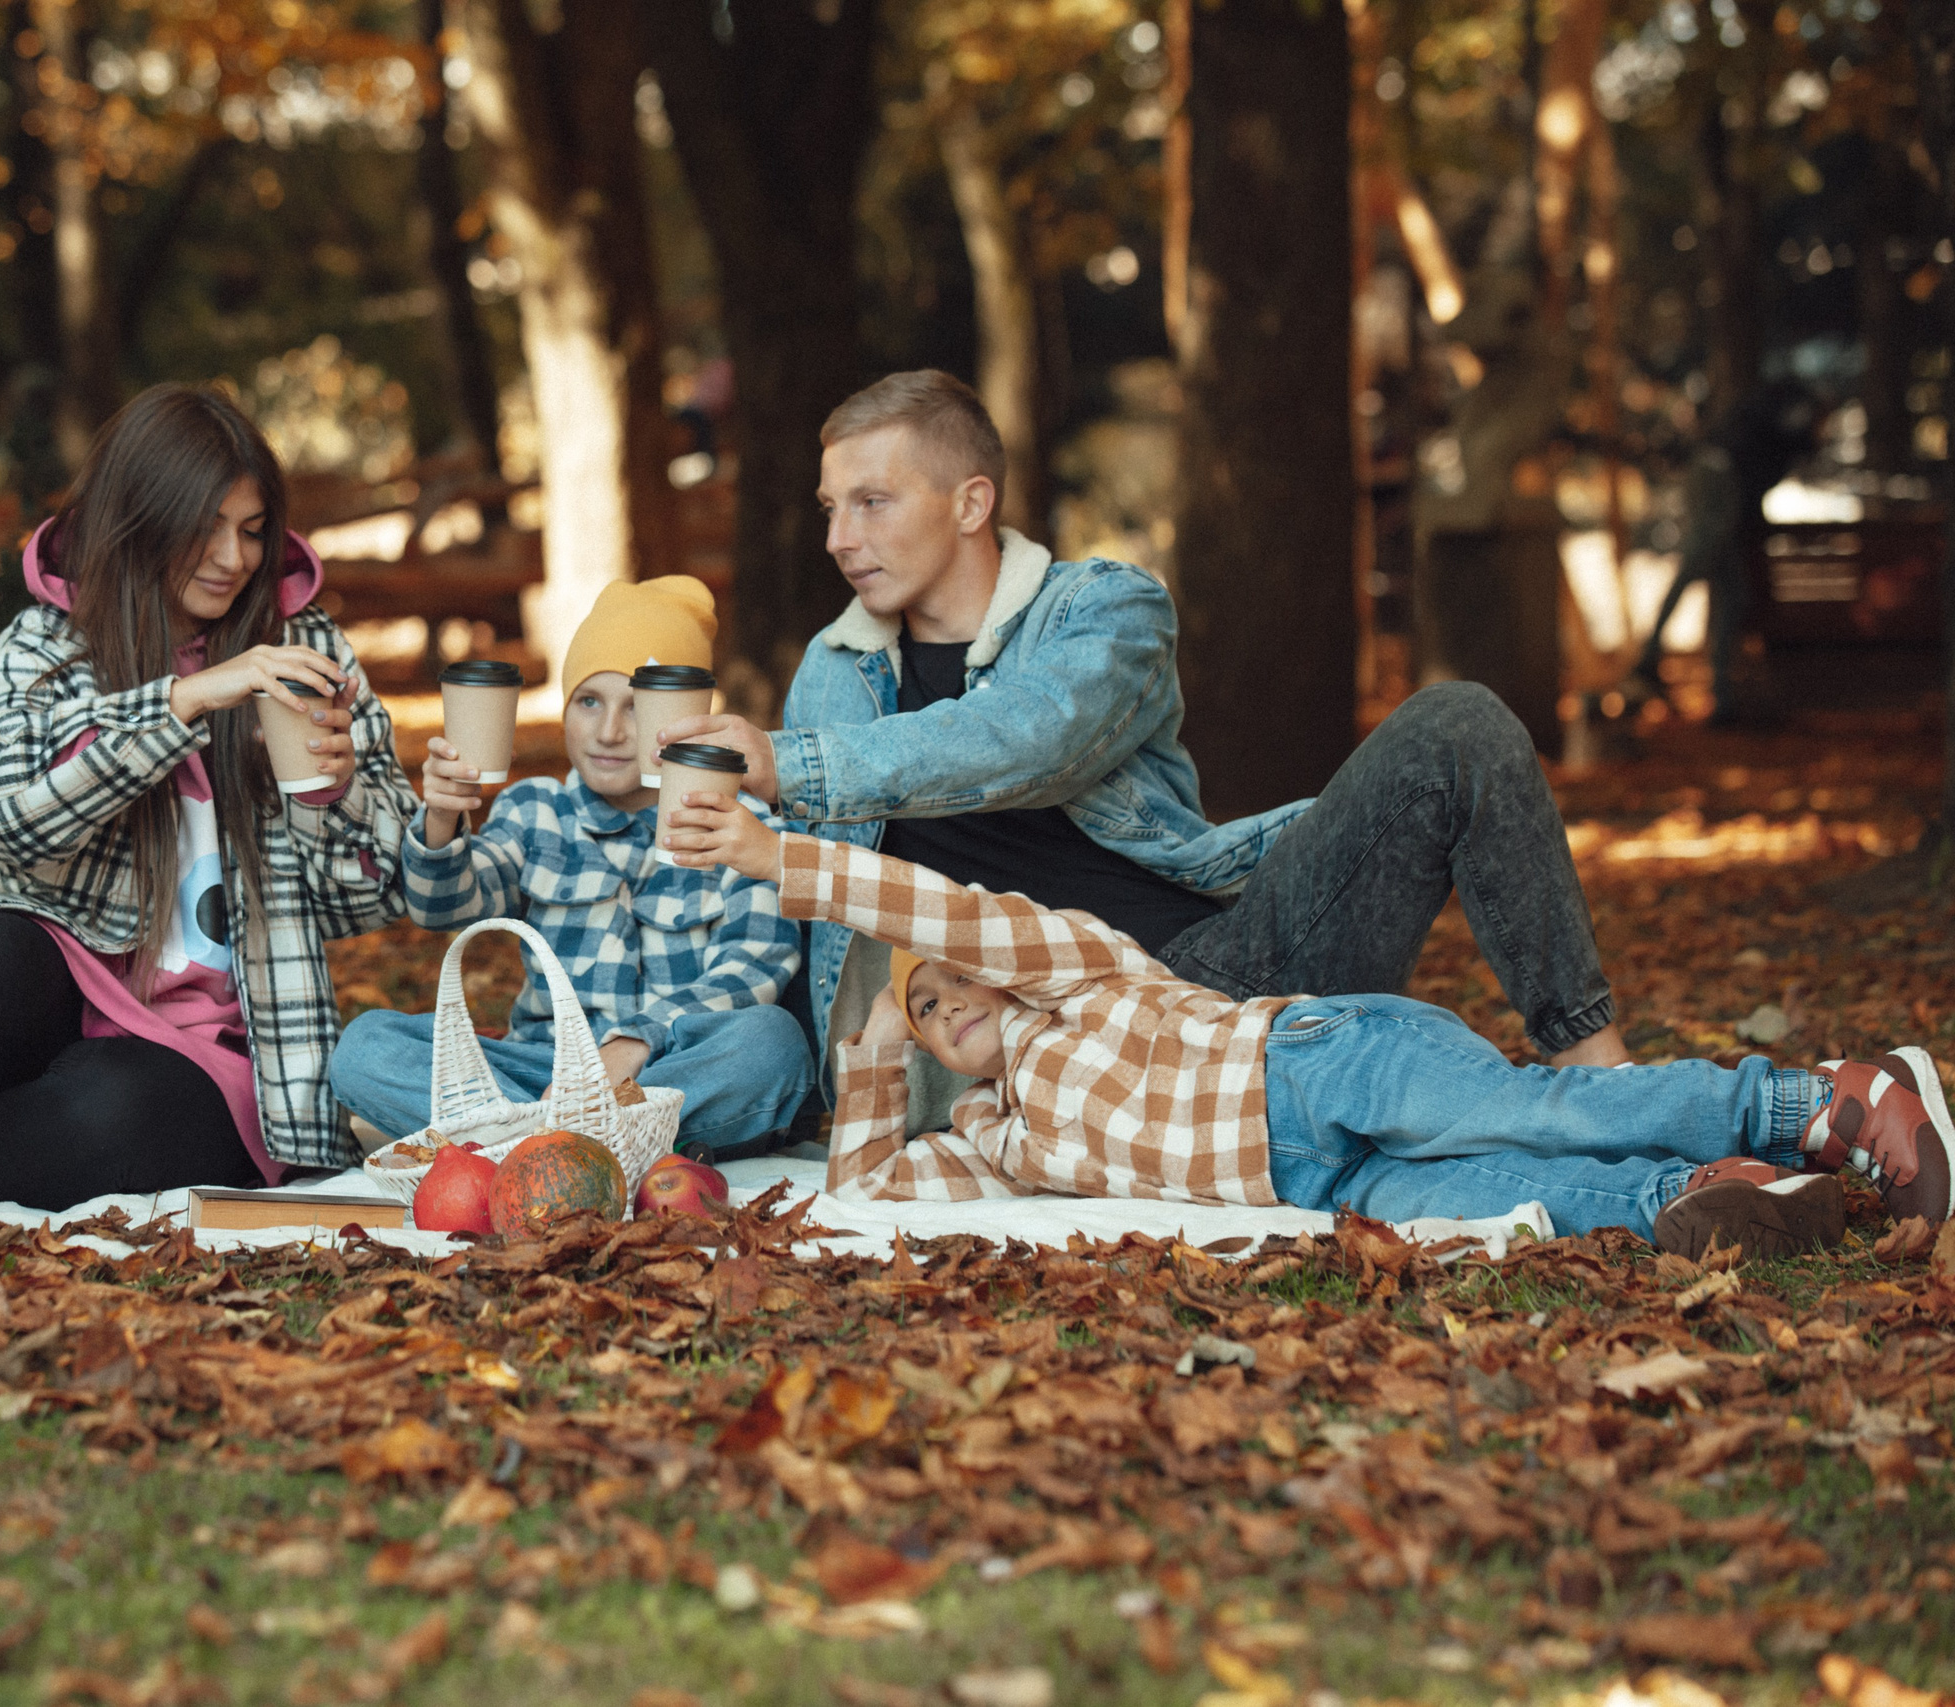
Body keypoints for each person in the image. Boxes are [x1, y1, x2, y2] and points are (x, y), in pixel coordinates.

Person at [657, 370, 1631, 1133]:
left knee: (1455, 724)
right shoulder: (836, 669)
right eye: (829, 507)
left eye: (870, 502)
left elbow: (1031, 739)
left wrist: (796, 764)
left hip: (1207, 981)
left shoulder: (1104, 612)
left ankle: (1600, 1078)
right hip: (1013, 1047)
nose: (837, 536)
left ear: (968, 503)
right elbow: (789, 896)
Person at [664, 796, 1955, 1257]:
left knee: (1532, 1104)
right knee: (1502, 1195)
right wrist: (877, 1038)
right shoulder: (996, 1142)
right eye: (927, 1010)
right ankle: (1723, 1192)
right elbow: (870, 1192)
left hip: (1317, 1060)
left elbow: (942, 907)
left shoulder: (1079, 971)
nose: (944, 1000)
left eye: (953, 982)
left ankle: (1822, 1097)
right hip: (1316, 1177)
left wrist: (794, 863)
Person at [0, 383, 415, 1211]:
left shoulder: (305, 650)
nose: (233, 558)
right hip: (47, 1002)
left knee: (102, 1106)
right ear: (139, 519)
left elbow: (379, 893)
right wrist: (189, 699)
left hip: (204, 1049)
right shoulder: (50, 642)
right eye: (203, 527)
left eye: (251, 532)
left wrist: (340, 790)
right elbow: (4, 812)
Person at [331, 576, 814, 1159]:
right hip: (540, 1071)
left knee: (773, 1045)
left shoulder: (742, 823)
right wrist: (439, 816)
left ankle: (526, 1147)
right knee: (366, 1047)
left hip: (666, 1074)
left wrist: (634, 1043)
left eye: (637, 708)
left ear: (684, 716)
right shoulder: (536, 812)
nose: (609, 732)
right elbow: (442, 907)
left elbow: (752, 969)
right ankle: (572, 1144)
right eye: (589, 701)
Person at [1627, 381, 1822, 724]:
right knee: (1694, 567)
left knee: (1734, 596)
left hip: (1721, 484)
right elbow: (1761, 457)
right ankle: (1649, 655)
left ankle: (1722, 699)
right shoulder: (1792, 418)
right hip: (1719, 479)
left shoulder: (1780, 416)